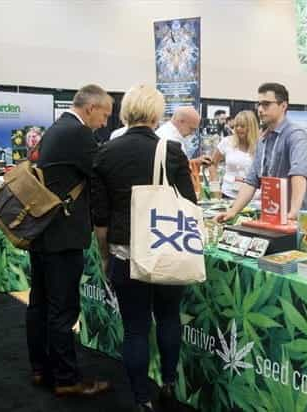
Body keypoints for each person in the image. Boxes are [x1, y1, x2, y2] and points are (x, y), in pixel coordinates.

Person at [91, 85, 196, 412]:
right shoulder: (172, 151)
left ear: (124, 111)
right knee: (168, 319)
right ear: (156, 113)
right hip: (166, 248)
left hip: (125, 252)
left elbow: (100, 217)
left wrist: (106, 255)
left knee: (135, 328)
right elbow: (189, 205)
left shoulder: (105, 152)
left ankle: (141, 399)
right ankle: (167, 383)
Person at [26, 84, 112, 396]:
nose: (104, 123)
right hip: (63, 235)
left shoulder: (55, 129)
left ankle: (41, 368)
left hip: (44, 231)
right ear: (91, 108)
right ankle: (66, 379)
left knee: (40, 304)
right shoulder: (77, 134)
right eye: (104, 115)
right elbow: (103, 170)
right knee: (62, 309)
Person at [215, 82, 307, 223]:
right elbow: (252, 180)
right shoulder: (263, 139)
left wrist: (293, 212)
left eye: (266, 104)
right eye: (259, 104)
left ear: (283, 106)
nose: (260, 109)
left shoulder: (295, 135)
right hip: (270, 214)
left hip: (293, 220)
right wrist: (233, 211)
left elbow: (299, 173)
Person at [209, 110, 260, 200]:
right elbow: (212, 165)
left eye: (242, 126)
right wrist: (215, 190)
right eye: (236, 125)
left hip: (253, 197)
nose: (238, 128)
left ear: (251, 127)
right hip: (228, 194)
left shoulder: (260, 145)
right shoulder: (227, 142)